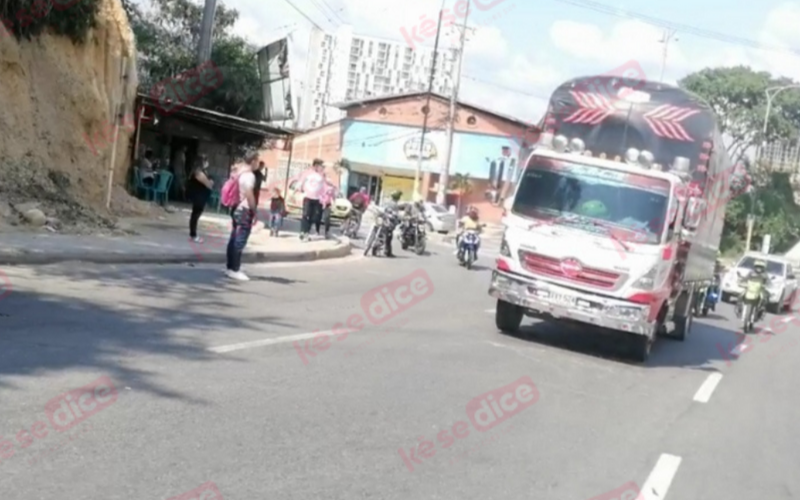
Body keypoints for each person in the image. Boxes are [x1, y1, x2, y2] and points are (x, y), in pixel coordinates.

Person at [225, 151, 259, 281]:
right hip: (244, 209)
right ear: (253, 161)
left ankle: (230, 267)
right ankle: (235, 269)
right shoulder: (249, 175)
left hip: (236, 208)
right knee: (240, 240)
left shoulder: (239, 172)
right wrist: (254, 210)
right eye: (257, 160)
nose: (258, 164)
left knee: (234, 238)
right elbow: (249, 193)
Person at [187, 155, 214, 243]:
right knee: (195, 215)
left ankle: (193, 234)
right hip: (198, 197)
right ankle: (193, 235)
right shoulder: (198, 173)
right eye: (205, 161)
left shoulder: (201, 172)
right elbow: (208, 184)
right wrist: (210, 182)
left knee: (195, 215)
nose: (207, 163)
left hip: (201, 196)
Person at [298, 159, 325, 241]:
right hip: (308, 197)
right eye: (321, 166)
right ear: (316, 166)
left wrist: (323, 198)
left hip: (317, 199)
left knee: (314, 217)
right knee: (306, 215)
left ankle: (307, 231)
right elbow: (301, 182)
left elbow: (324, 187)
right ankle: (303, 232)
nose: (322, 168)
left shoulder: (322, 175)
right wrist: (299, 189)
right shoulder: (308, 173)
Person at [381, 190, 403, 257]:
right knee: (389, 238)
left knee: (388, 237)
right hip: (388, 222)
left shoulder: (387, 202)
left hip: (384, 220)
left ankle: (387, 251)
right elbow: (396, 215)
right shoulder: (394, 204)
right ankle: (387, 252)